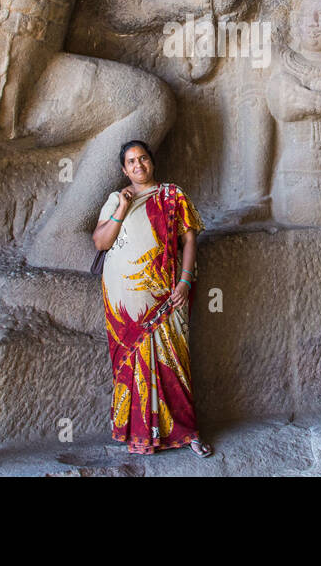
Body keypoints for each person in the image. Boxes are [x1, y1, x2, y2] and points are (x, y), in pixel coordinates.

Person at [92, 140, 213, 457]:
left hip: (166, 297)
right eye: (130, 161)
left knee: (175, 364)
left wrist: (185, 281)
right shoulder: (115, 199)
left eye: (142, 158)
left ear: (152, 162)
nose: (137, 165)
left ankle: (187, 434)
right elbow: (101, 241)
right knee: (132, 367)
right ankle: (138, 434)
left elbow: (189, 239)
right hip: (124, 305)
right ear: (124, 169)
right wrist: (122, 206)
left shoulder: (174, 196)